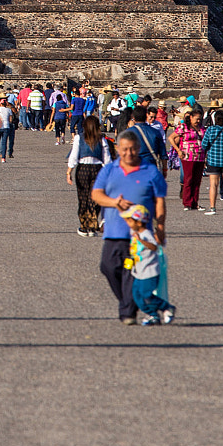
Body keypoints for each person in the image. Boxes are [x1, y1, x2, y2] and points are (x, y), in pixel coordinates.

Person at [90, 130, 168, 324]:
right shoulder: (109, 170)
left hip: (139, 234)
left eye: (132, 149)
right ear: (117, 149)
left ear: (138, 149)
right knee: (108, 267)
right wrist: (114, 202)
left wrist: (160, 227)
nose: (128, 153)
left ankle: (128, 312)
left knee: (131, 271)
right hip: (114, 232)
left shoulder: (150, 171)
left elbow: (159, 201)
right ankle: (128, 301)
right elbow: (96, 195)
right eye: (124, 149)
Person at [122, 204, 175, 325]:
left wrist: (141, 240)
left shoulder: (146, 234)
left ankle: (166, 307)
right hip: (138, 271)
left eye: (130, 220)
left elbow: (154, 246)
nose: (128, 223)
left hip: (149, 271)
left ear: (139, 222)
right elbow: (124, 218)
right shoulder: (134, 230)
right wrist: (119, 206)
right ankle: (152, 314)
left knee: (146, 294)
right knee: (137, 295)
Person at [67, 115, 112, 236]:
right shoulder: (101, 139)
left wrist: (69, 171)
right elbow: (107, 158)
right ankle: (92, 225)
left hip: (82, 169)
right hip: (98, 170)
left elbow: (74, 155)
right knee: (95, 197)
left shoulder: (79, 138)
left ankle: (83, 225)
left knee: (83, 197)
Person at [169, 110, 205, 211]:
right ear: (191, 117)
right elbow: (171, 138)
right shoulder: (183, 127)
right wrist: (178, 150)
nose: (198, 121)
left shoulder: (201, 128)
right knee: (188, 179)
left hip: (200, 156)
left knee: (197, 180)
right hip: (188, 156)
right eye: (196, 118)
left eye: (199, 119)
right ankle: (187, 202)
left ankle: (195, 202)